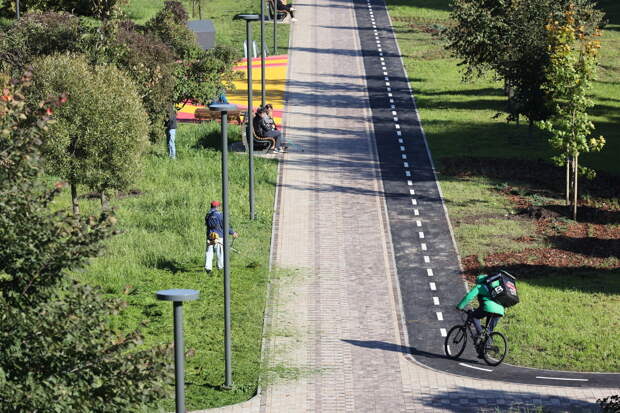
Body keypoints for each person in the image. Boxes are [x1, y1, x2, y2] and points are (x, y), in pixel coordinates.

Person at [456, 274, 505, 356]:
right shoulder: (495, 287)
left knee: (474, 316)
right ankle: (485, 350)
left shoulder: (479, 286)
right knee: (489, 330)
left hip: (488, 308)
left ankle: (480, 334)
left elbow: (469, 297)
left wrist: (460, 306)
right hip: (500, 310)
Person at [204, 200, 238, 273]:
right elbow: (225, 226)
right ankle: (221, 268)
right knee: (220, 253)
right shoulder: (221, 215)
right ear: (218, 207)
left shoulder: (207, 215)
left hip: (210, 237)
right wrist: (233, 232)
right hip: (219, 237)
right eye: (219, 206)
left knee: (209, 253)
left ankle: (208, 268)